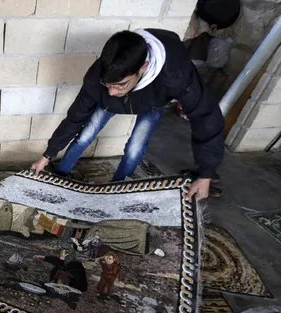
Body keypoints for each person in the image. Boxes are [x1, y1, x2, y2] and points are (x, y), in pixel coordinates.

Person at [30, 29, 224, 201]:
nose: (112, 91)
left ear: (144, 67)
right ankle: (61, 174)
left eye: (120, 84)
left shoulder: (176, 74)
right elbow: (75, 117)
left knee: (135, 148)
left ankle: (117, 189)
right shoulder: (100, 78)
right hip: (114, 101)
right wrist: (48, 155)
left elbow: (205, 116)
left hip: (153, 99)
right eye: (108, 85)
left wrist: (206, 174)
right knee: (86, 134)